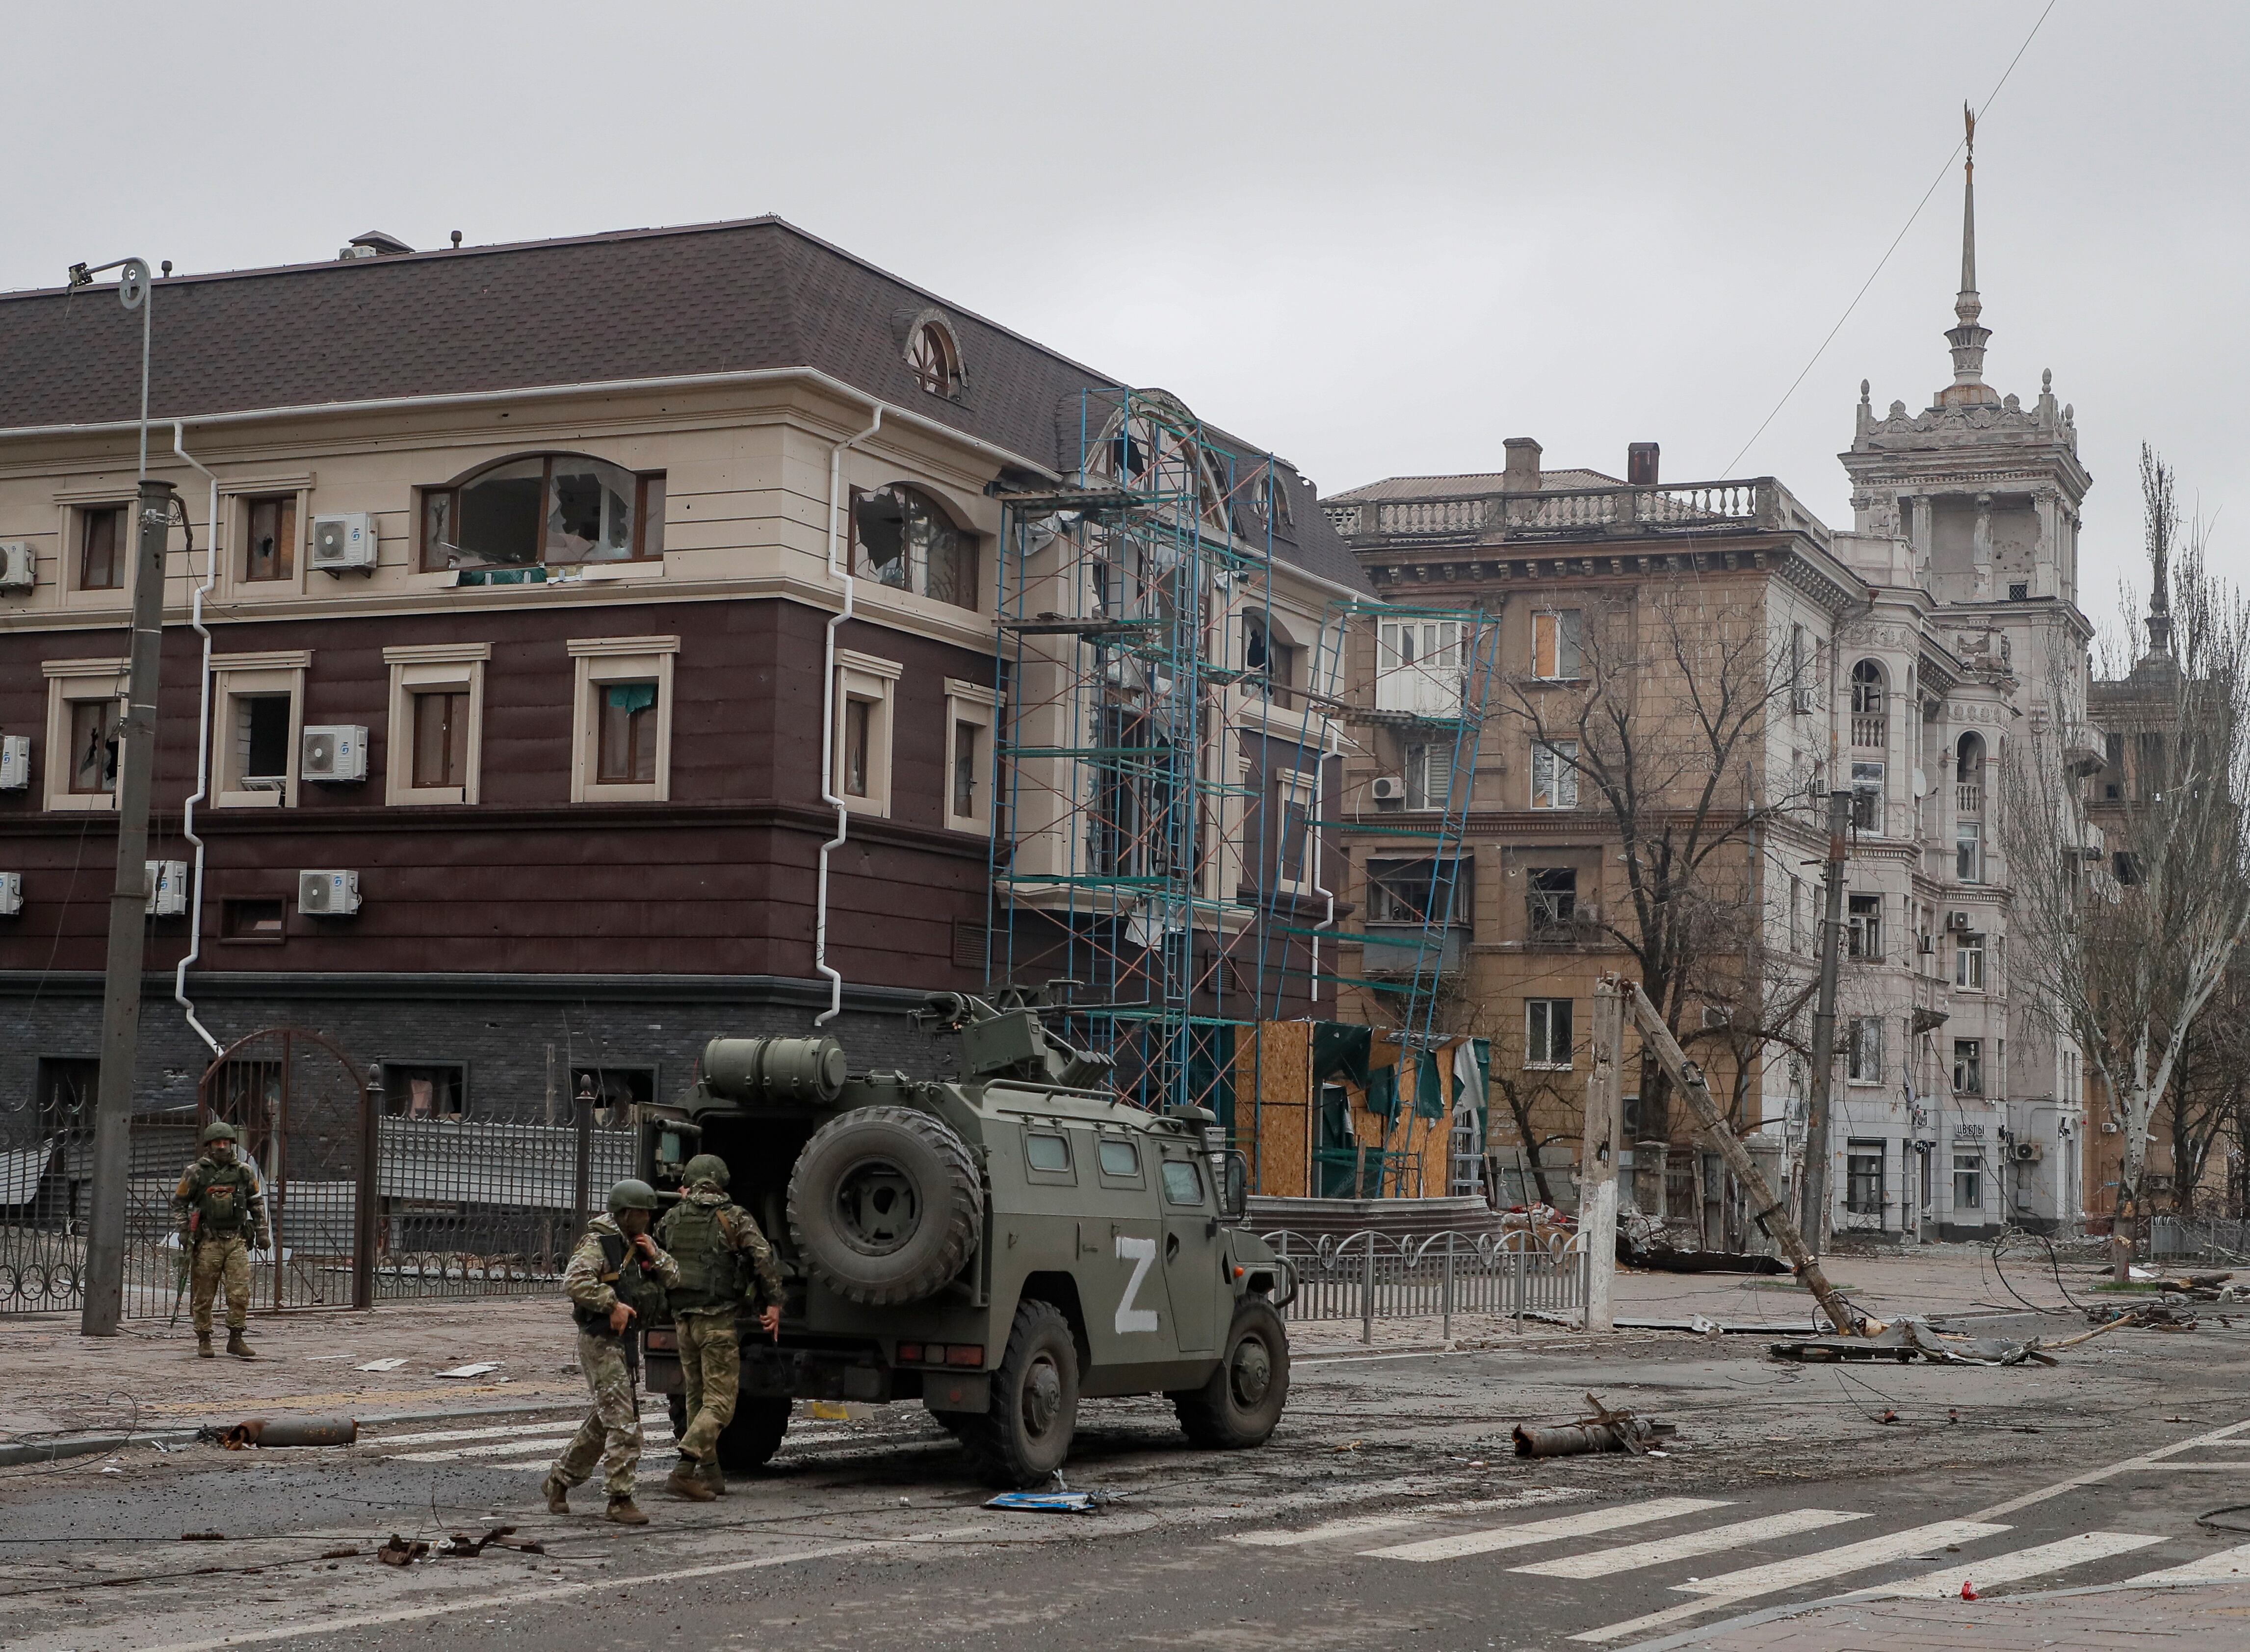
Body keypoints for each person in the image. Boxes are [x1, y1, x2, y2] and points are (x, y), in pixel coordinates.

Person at [543, 1179, 681, 1525]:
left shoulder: (638, 1244)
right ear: (625, 1213)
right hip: (601, 1340)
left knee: (605, 1421)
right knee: (624, 1422)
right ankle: (620, 1499)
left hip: (624, 1342)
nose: (647, 1218)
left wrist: (655, 1254)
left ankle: (559, 1480)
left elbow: (677, 1278)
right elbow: (574, 1282)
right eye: (642, 1213)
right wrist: (611, 1304)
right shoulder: (599, 1243)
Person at [654, 1153, 785, 1500]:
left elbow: (656, 1251)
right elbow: (763, 1258)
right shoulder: (734, 1216)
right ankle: (684, 1469)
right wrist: (774, 1303)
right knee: (722, 1403)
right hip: (717, 1322)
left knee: (697, 1399)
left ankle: (711, 1477)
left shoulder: (672, 1217)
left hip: (684, 1321)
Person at [171, 1120, 270, 1360]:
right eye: (218, 1143)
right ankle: (204, 1338)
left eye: (226, 1142)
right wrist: (184, 1230)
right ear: (209, 1146)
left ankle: (236, 1338)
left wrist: (263, 1231)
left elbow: (256, 1202)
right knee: (204, 1294)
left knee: (239, 1292)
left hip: (236, 1240)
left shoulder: (244, 1171)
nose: (223, 1147)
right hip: (208, 1241)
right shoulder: (195, 1172)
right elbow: (179, 1203)